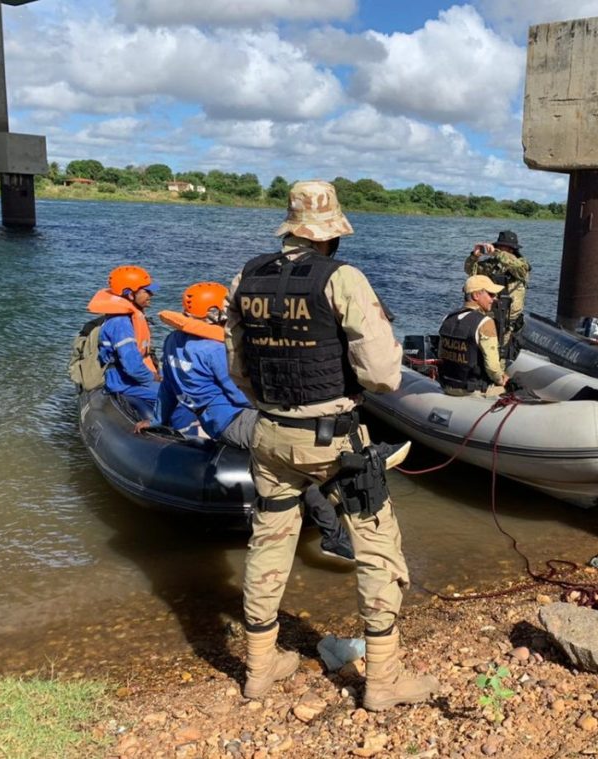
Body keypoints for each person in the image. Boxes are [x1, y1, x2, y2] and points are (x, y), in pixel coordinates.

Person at [225, 179, 438, 707]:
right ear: (331, 235)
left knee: (268, 541)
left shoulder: (245, 278)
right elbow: (385, 375)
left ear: (290, 227)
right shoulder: (343, 280)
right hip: (334, 439)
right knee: (377, 549)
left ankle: (258, 669)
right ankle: (383, 682)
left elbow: (240, 369)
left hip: (269, 434)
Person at [136, 282, 357, 562]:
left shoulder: (172, 342)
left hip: (216, 420)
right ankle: (334, 536)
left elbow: (168, 387)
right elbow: (240, 395)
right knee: (295, 458)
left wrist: (158, 421)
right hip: (235, 420)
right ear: (214, 312)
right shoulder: (214, 350)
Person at [87, 265, 161, 419]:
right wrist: (151, 378)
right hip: (122, 382)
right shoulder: (121, 324)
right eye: (146, 291)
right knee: (176, 397)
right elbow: (132, 366)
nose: (151, 294)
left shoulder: (125, 318)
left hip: (126, 378)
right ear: (130, 294)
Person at [437, 275, 510, 397]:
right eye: (490, 294)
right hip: (472, 391)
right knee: (514, 389)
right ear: (476, 295)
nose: (494, 299)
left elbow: (440, 354)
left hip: (447, 386)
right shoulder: (485, 323)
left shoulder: (448, 318)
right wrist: (502, 380)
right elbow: (492, 368)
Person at [464, 230, 530, 358]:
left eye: (504, 249)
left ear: (512, 250)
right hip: (490, 312)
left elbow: (517, 267)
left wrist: (496, 253)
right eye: (499, 248)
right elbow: (470, 270)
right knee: (484, 346)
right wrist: (474, 256)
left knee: (501, 350)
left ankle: (498, 371)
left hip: (508, 318)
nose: (500, 251)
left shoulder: (521, 265)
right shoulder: (492, 265)